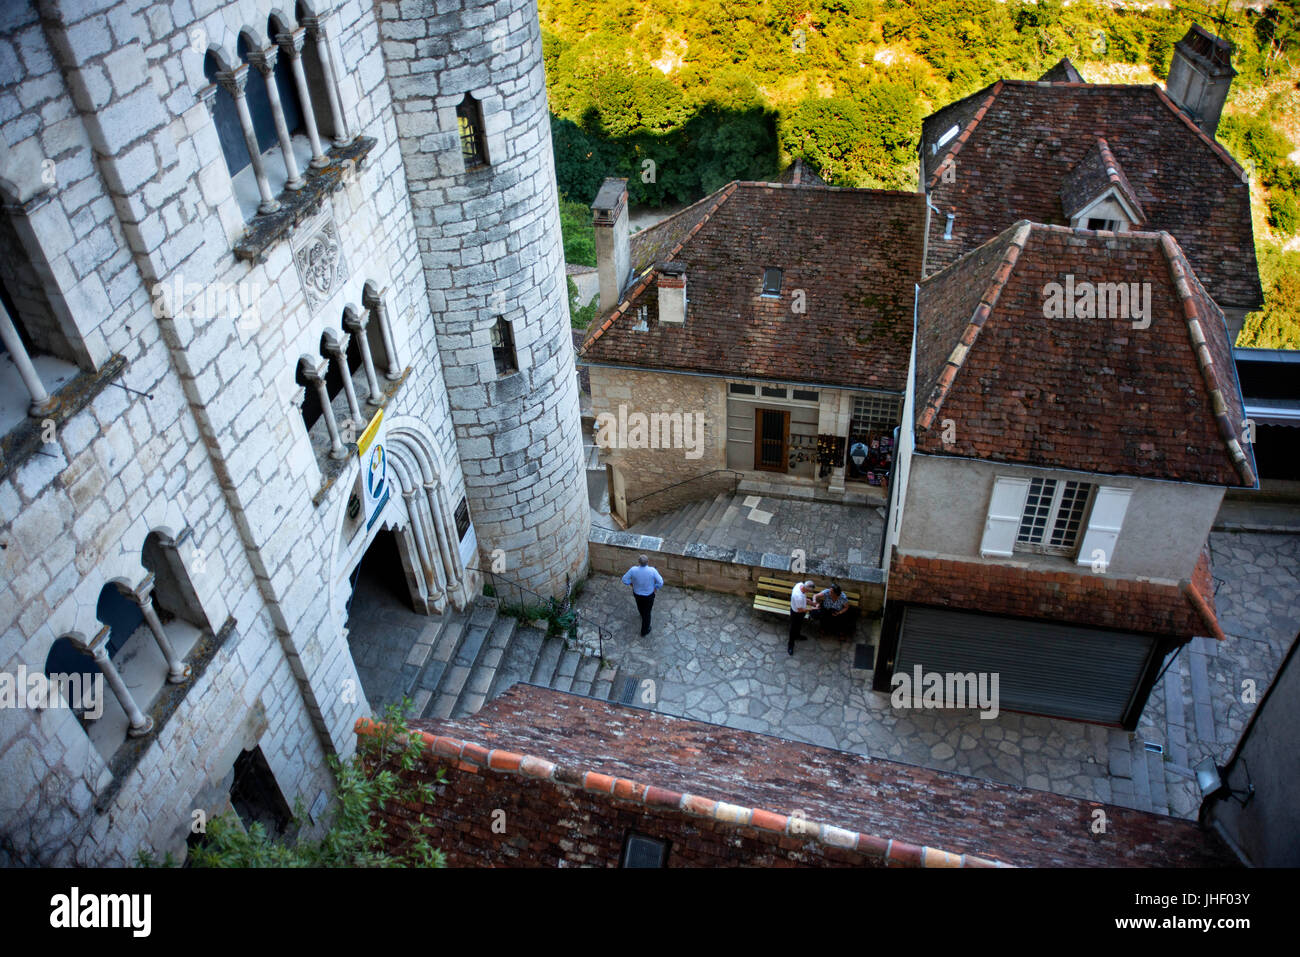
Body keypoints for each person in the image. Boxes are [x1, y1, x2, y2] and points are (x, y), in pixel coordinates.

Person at [622, 555, 664, 636]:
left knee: (640, 606)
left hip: (637, 594)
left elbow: (624, 579)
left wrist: (631, 584)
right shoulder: (652, 570)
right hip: (649, 595)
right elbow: (660, 582)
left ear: (639, 562)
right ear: (648, 562)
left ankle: (642, 614)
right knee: (647, 613)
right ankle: (644, 630)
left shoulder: (633, 570)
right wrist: (656, 588)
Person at [788, 580, 816, 655]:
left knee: (799, 625)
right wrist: (811, 609)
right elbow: (800, 610)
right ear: (806, 589)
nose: (808, 593)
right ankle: (790, 645)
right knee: (793, 628)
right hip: (796, 613)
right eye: (808, 591)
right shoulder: (798, 596)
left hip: (800, 609)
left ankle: (797, 635)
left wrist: (807, 600)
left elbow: (803, 597)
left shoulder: (800, 584)